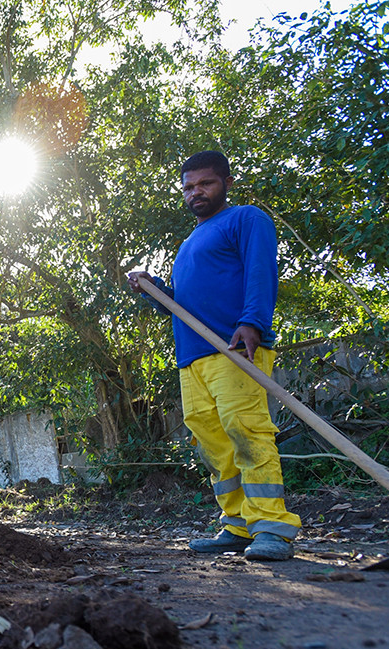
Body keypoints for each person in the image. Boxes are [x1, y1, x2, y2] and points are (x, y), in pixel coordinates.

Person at [128, 150, 301, 561]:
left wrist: (253, 321)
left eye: (204, 183)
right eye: (188, 187)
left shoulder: (246, 219)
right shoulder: (187, 245)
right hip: (192, 356)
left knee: (246, 431)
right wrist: (155, 291)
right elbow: (185, 306)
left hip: (236, 345)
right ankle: (238, 524)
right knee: (214, 443)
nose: (195, 192)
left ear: (225, 182)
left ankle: (272, 527)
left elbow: (262, 271)